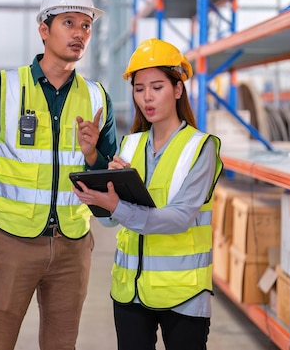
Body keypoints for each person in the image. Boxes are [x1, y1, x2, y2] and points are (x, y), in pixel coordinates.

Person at [0, 0, 118, 350]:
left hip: (73, 247)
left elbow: (108, 188)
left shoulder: (97, 97)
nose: (79, 34)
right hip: (12, 244)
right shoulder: (2, 89)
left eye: (87, 26)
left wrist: (93, 155)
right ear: (44, 30)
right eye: (69, 23)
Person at [72, 38, 222, 350]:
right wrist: (93, 162)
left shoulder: (200, 148)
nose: (147, 97)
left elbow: (180, 218)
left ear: (177, 89)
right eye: (139, 89)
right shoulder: (129, 146)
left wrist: (118, 206)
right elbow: (112, 223)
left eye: (157, 87)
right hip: (130, 292)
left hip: (183, 294)